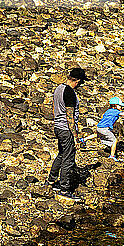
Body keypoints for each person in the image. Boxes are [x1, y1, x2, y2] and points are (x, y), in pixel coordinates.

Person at [45, 67, 88, 201]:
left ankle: (51, 181)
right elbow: (70, 117)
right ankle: (64, 189)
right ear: (78, 81)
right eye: (81, 83)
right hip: (66, 129)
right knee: (68, 159)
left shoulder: (59, 88)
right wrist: (76, 137)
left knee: (62, 154)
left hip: (58, 127)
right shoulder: (69, 92)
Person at [80, 96, 124, 161]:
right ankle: (112, 156)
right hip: (104, 129)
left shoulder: (108, 111)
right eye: (120, 106)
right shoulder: (115, 111)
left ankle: (84, 139)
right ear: (115, 105)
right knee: (114, 141)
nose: (121, 107)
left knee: (98, 135)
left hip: (99, 127)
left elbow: (103, 116)